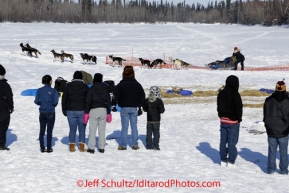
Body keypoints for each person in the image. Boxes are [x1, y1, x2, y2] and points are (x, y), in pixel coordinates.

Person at [113, 66, 145, 150]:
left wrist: (114, 104)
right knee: (134, 126)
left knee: (124, 127)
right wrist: (140, 106)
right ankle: (135, 144)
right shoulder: (137, 84)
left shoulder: (121, 84)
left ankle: (123, 145)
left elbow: (115, 95)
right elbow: (142, 95)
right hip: (134, 107)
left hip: (124, 107)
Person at [263, 80, 289, 175]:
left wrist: (267, 125)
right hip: (283, 131)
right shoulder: (287, 100)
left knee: (272, 150)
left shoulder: (268, 100)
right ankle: (283, 170)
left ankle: (271, 169)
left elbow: (265, 116)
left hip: (272, 129)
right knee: (283, 151)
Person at [217, 75, 243, 167]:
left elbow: (218, 107)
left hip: (223, 121)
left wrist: (221, 116)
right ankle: (231, 161)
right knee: (232, 143)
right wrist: (238, 119)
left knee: (223, 141)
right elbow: (239, 109)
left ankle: (223, 160)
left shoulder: (221, 93)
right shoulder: (235, 94)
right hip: (233, 122)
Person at [62, 71, 88, 152]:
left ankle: (72, 146)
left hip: (70, 110)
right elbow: (88, 100)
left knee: (72, 129)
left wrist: (64, 110)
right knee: (82, 129)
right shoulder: (85, 87)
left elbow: (64, 99)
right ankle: (82, 146)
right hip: (82, 110)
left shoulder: (68, 87)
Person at [85, 73, 111, 154]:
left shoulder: (91, 88)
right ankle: (102, 147)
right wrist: (109, 112)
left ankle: (91, 148)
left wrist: (86, 112)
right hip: (103, 110)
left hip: (93, 110)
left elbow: (88, 101)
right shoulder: (105, 88)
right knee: (102, 130)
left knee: (92, 130)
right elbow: (108, 100)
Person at [34, 75, 59, 153]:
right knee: (49, 131)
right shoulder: (54, 91)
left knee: (42, 130)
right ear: (50, 81)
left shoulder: (39, 90)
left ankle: (42, 147)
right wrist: (50, 104)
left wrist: (42, 103)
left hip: (42, 112)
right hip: (51, 112)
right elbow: (55, 102)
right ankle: (48, 147)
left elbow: (36, 101)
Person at [143, 86, 165, 150]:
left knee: (149, 132)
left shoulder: (147, 100)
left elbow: (145, 109)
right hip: (157, 119)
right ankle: (156, 145)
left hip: (149, 119)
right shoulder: (159, 101)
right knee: (156, 133)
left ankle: (149, 146)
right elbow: (162, 110)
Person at [0, 64, 14, 151]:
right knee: (3, 125)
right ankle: (1, 144)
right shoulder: (4, 84)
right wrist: (11, 107)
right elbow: (9, 96)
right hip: (3, 109)